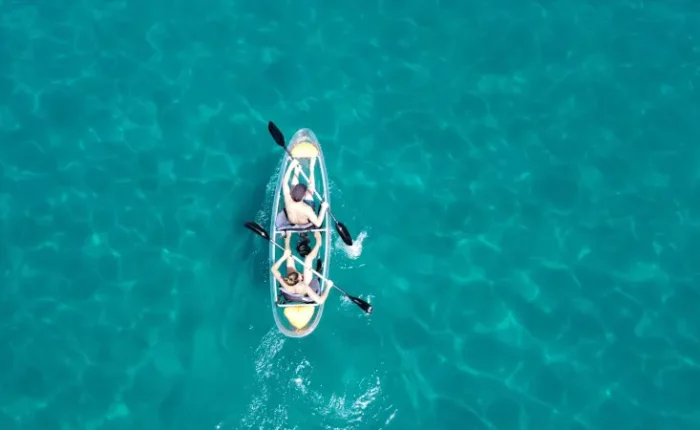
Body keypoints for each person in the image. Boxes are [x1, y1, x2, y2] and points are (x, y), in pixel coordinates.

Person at [271, 231, 333, 304]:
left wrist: (284, 257)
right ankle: (318, 243)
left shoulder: (285, 283)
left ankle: (287, 240)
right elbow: (320, 301)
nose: (302, 274)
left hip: (290, 292)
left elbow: (273, 269)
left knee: (289, 257)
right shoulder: (304, 286)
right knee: (308, 259)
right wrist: (328, 287)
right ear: (300, 280)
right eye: (301, 275)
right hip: (302, 290)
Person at [283, 158, 329, 227]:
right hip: (305, 223)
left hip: (292, 221)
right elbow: (318, 223)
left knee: (293, 187)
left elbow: (284, 183)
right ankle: (311, 169)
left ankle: (296, 171)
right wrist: (323, 208)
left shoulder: (288, 200)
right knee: (310, 189)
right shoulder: (307, 209)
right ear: (303, 196)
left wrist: (291, 166)